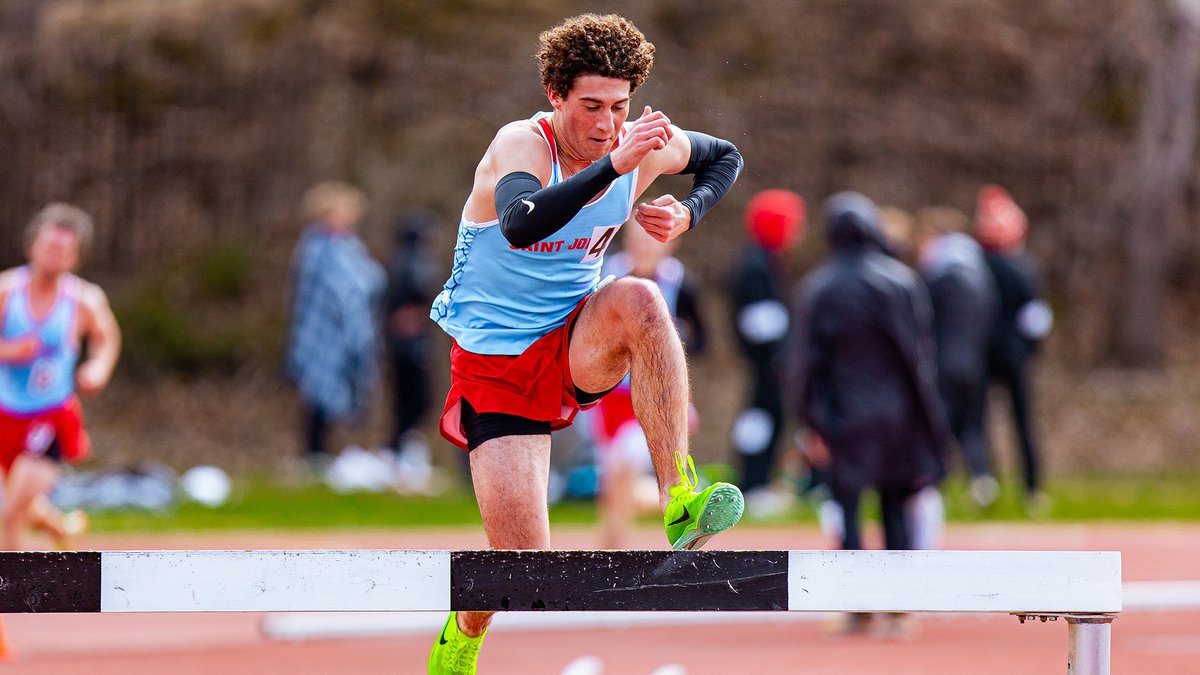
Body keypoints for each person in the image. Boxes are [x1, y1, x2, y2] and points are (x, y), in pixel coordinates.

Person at [426, 14, 744, 673]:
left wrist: (691, 209)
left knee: (642, 299)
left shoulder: (637, 145)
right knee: (524, 569)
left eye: (620, 107)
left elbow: (724, 157)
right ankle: (466, 626)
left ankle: (680, 496)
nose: (606, 124)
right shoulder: (521, 144)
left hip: (575, 340)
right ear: (556, 97)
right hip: (495, 364)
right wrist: (614, 166)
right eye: (591, 106)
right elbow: (520, 222)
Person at [787, 192, 950, 637]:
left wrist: (807, 422)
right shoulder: (901, 282)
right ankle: (897, 606)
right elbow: (919, 358)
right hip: (896, 412)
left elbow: (804, 363)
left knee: (849, 509)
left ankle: (856, 605)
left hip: (843, 416)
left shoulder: (818, 288)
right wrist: (928, 419)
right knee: (896, 507)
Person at [0, 203, 121, 551]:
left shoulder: (84, 299)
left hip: (50, 415)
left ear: (75, 258)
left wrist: (98, 367)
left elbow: (107, 339)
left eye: (63, 251)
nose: (54, 256)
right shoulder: (8, 291)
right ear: (32, 246)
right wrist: (9, 351)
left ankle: (11, 602)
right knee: (26, 507)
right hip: (7, 414)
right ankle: (63, 527)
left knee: (10, 513)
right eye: (49, 246)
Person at [592, 223, 707, 548]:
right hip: (610, 393)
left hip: (656, 393)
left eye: (652, 240)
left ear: (671, 245)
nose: (643, 246)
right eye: (637, 238)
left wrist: (681, 389)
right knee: (613, 476)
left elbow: (699, 341)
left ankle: (612, 545)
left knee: (627, 463)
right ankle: (619, 540)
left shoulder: (682, 284)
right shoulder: (608, 276)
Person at [284, 182, 386, 477]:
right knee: (316, 393)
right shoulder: (316, 248)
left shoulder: (351, 246)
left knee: (341, 396)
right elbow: (330, 292)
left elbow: (369, 282)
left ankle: (331, 454)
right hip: (322, 333)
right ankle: (314, 457)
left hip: (347, 336)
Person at [913, 206, 1000, 508]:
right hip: (974, 361)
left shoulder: (940, 277)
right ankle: (982, 480)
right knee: (972, 424)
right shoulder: (979, 273)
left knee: (939, 424)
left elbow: (922, 320)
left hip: (943, 361)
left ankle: (932, 483)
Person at [974, 185, 1053, 514]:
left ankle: (986, 481)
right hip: (1013, 353)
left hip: (985, 351)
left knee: (983, 420)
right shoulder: (1022, 267)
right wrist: (1033, 348)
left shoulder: (978, 264)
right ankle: (1031, 487)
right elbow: (1035, 316)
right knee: (1019, 420)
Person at [728, 189, 804, 517]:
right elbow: (760, 320)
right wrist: (777, 356)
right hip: (768, 361)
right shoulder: (757, 266)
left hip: (768, 360)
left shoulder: (762, 261)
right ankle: (753, 483)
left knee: (764, 416)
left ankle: (757, 481)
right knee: (763, 415)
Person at [382, 212, 441, 489]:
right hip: (409, 343)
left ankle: (400, 448)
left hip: (405, 342)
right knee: (416, 400)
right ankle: (397, 449)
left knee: (411, 402)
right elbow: (418, 292)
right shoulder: (411, 263)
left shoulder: (397, 263)